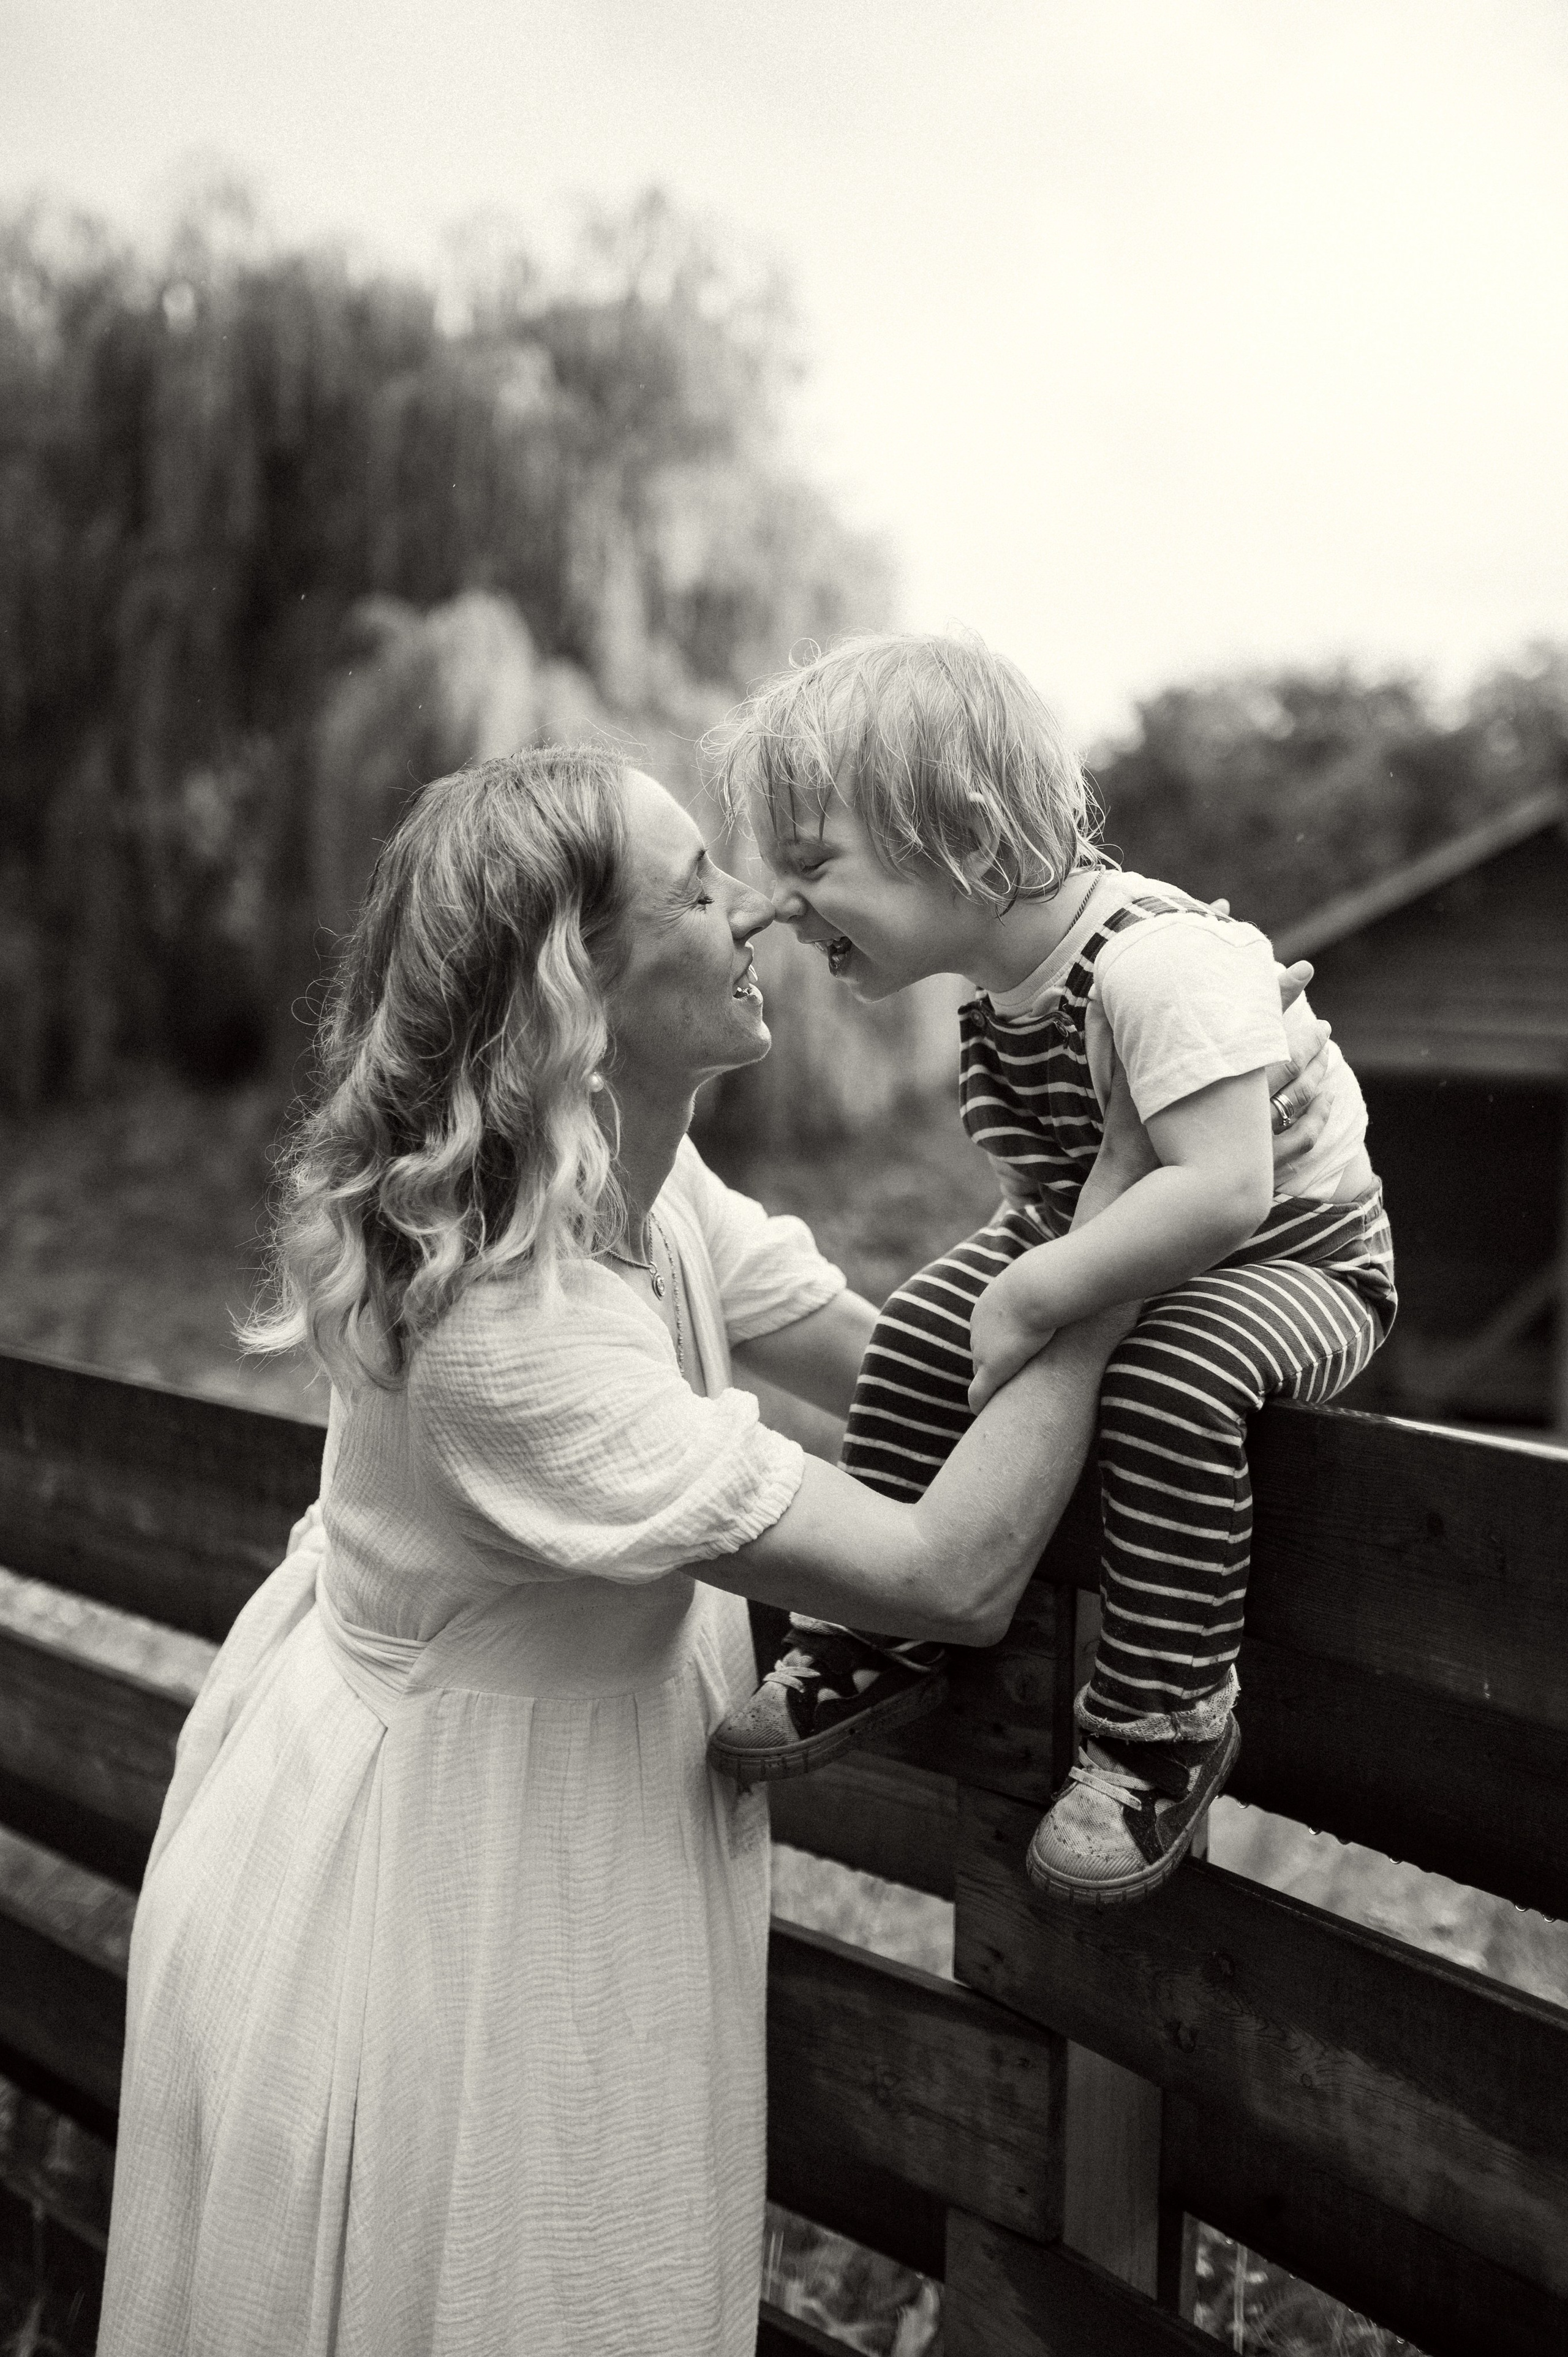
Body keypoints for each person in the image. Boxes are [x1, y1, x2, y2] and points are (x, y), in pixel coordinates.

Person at [99, 746, 1158, 2357]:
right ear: (573, 988)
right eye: (697, 885)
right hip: (455, 1864)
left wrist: (1095, 1183)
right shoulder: (504, 1335)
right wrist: (1137, 1237)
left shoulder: (649, 1193)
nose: (760, 911)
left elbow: (908, 1381)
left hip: (575, 1793)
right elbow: (949, 1571)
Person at [707, 631, 1393, 1907]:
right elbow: (1073, 1189)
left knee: (1168, 1383)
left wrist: (1037, 1289)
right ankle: (876, 1633)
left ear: (958, 835)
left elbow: (1223, 1186)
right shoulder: (1000, 983)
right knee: (915, 1328)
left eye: (810, 864)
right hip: (1122, 1229)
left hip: (1293, 1255)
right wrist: (1031, 1271)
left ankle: (1158, 1728)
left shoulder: (1154, 962)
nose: (772, 907)